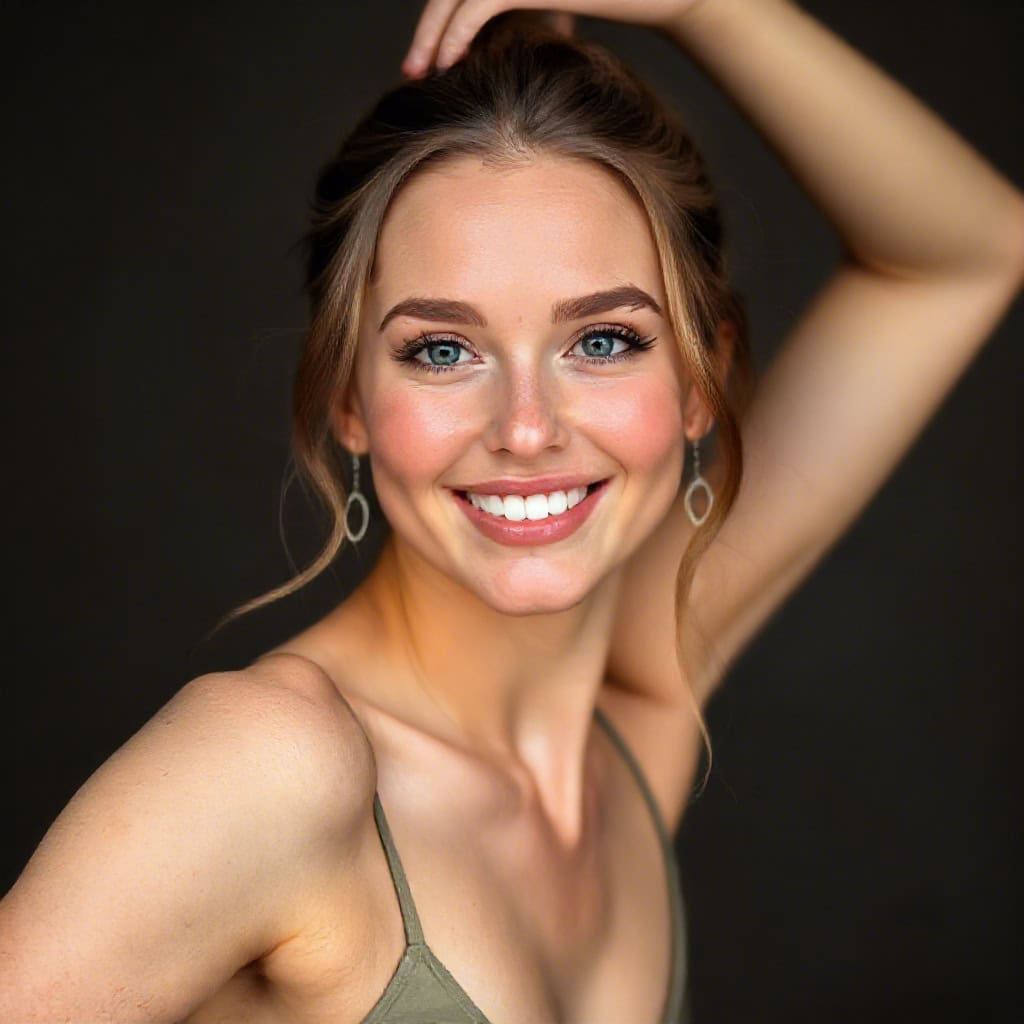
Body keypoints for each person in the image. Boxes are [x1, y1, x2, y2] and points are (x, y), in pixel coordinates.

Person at [2, 1, 1021, 1021]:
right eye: (442, 350)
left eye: (605, 339)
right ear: (349, 399)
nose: (526, 428)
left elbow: (968, 252)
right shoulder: (272, 769)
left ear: (703, 379)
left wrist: (700, 8)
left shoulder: (633, 722)